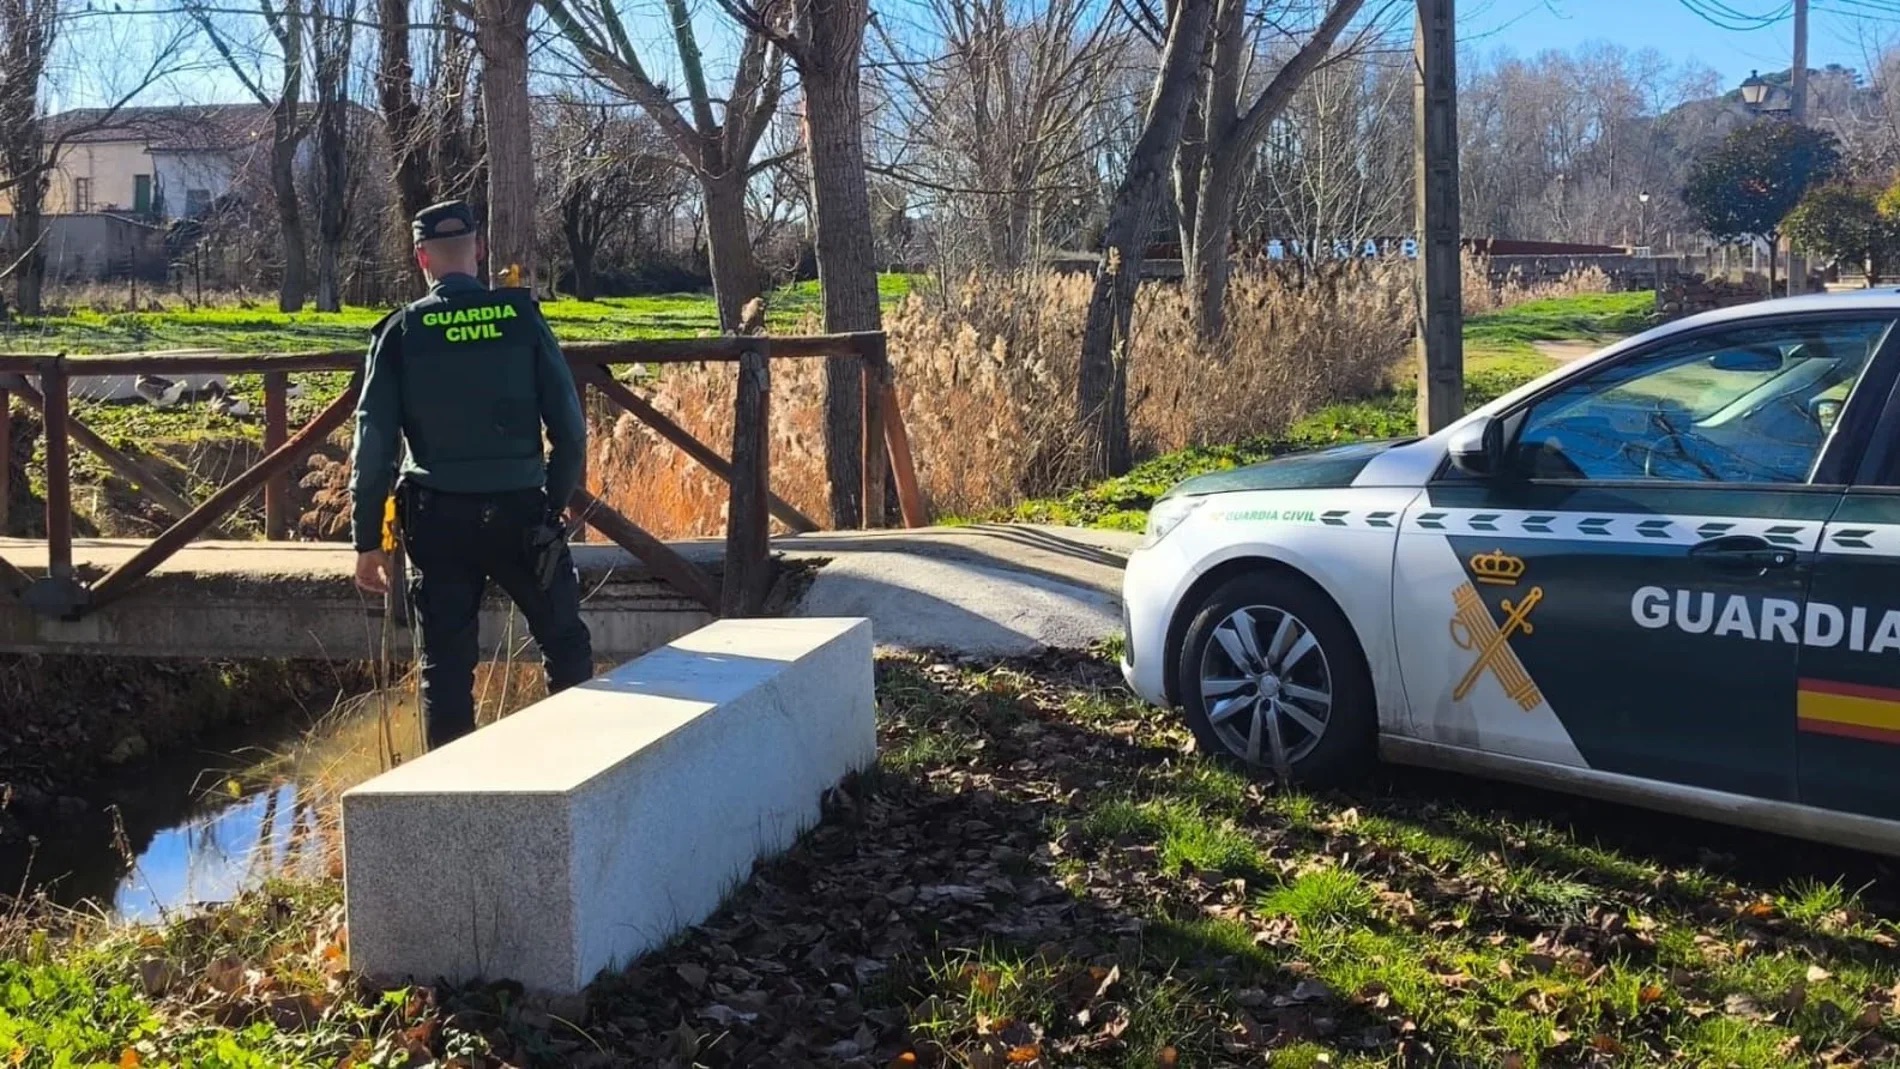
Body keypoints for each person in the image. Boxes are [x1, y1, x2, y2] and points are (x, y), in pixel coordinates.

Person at [349, 200, 594, 750]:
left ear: (421, 258)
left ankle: (451, 804)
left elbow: (374, 445)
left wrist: (368, 538)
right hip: (522, 511)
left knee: (446, 667)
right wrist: (552, 502)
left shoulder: (400, 331)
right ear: (478, 251)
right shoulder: (521, 319)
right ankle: (577, 772)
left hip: (437, 519)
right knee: (565, 645)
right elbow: (572, 433)